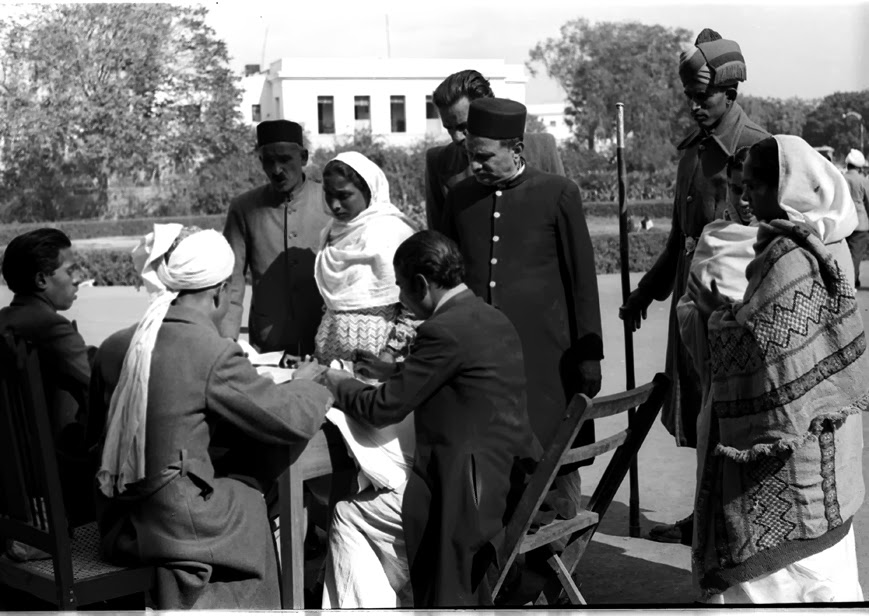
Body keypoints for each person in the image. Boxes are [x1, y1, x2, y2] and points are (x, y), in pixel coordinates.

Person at [93, 225, 334, 609]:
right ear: (220, 290)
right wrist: (310, 384)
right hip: (173, 525)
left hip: (119, 518)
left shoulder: (116, 344)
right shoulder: (210, 351)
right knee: (257, 494)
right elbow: (290, 419)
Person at [297, 230, 538, 607]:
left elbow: (381, 410)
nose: (400, 299)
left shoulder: (443, 330)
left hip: (462, 500)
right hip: (503, 481)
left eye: (401, 288)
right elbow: (453, 373)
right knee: (361, 508)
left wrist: (332, 379)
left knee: (348, 513)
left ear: (422, 284)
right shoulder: (488, 316)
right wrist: (392, 370)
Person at [689, 135, 865, 603]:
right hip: (829, 451)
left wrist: (712, 315)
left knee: (781, 590)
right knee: (827, 584)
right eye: (740, 187)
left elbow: (762, 350)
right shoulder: (834, 238)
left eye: (755, 188)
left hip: (782, 469)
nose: (745, 200)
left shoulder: (788, 255)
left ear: (786, 188)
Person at [618, 28, 769, 544]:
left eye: (701, 96)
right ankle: (704, 516)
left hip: (736, 309)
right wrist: (644, 292)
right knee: (701, 412)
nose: (693, 107)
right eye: (688, 98)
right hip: (691, 307)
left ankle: (735, 523)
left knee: (734, 415)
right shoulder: (691, 153)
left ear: (730, 93)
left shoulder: (759, 150)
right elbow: (680, 240)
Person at [442, 97, 601, 507]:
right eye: (469, 156)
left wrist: (590, 353)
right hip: (482, 358)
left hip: (547, 358)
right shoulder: (459, 198)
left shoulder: (558, 194)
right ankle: (503, 564)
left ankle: (558, 557)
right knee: (491, 458)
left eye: (483, 157)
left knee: (552, 461)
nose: (474, 165)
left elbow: (582, 279)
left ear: (516, 150)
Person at [0, 228, 96, 528]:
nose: (78, 277)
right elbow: (99, 390)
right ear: (42, 280)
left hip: (11, 479)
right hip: (60, 479)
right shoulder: (53, 329)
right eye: (69, 270)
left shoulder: (5, 322)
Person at [221, 119, 331, 354]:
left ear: (303, 157)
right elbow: (232, 278)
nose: (276, 170)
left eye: (285, 159)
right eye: (268, 161)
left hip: (324, 335)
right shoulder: (244, 207)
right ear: (260, 161)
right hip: (268, 339)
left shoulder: (330, 202)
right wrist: (228, 337)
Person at [425, 69, 565, 233]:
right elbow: (439, 240)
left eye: (464, 126)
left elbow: (564, 224)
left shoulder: (542, 148)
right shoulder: (438, 162)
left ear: (487, 110)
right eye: (449, 128)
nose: (456, 138)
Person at [314, 151, 418, 366]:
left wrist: (390, 354)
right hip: (330, 354)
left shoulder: (394, 233)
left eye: (343, 196)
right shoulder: (330, 234)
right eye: (328, 194)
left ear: (369, 191)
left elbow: (414, 308)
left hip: (380, 360)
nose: (334, 205)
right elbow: (331, 302)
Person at [843, 148, 869, 287]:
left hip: (844, 222)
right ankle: (850, 282)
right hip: (860, 223)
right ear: (860, 167)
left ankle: (853, 280)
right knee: (856, 255)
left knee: (845, 254)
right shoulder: (863, 180)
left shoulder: (840, 177)